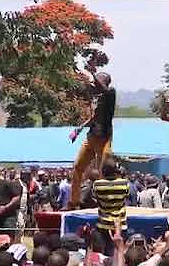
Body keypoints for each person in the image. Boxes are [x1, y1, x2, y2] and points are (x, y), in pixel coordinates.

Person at [67, 70, 116, 210]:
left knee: (103, 171)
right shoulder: (95, 97)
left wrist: (92, 73)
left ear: (104, 82)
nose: (94, 83)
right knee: (77, 166)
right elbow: (93, 118)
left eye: (97, 81)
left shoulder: (110, 93)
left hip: (104, 139)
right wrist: (78, 129)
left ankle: (103, 202)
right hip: (91, 137)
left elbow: (102, 86)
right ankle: (74, 201)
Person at [92, 157, 129, 256]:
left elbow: (95, 198)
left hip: (103, 224)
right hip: (120, 224)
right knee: (119, 253)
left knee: (105, 254)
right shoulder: (124, 183)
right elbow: (126, 196)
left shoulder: (97, 184)